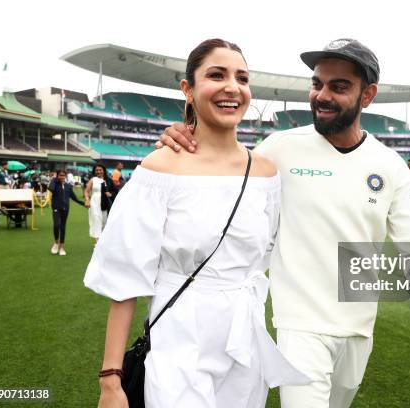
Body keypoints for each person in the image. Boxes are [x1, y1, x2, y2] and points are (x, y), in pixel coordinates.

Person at [158, 38, 410, 408]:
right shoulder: (279, 148)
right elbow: (222, 171)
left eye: (339, 87)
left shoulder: (389, 165)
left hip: (358, 329)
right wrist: (184, 134)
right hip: (299, 327)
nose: (322, 95)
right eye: (317, 84)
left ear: (367, 95)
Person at [84, 39, 309, 408]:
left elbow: (267, 253)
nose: (232, 87)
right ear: (188, 89)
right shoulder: (159, 170)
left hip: (244, 344)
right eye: (216, 75)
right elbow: (125, 276)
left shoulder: (267, 173)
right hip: (179, 339)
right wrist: (111, 380)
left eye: (242, 77)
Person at [48, 169, 85, 256]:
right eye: (60, 175)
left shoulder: (68, 186)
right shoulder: (54, 184)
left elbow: (74, 198)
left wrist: (84, 204)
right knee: (56, 225)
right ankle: (56, 243)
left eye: (63, 175)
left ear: (66, 176)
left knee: (62, 227)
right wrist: (53, 179)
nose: (62, 177)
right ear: (57, 176)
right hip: (56, 208)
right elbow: (51, 189)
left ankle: (62, 247)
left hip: (65, 209)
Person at [84, 164, 112, 245]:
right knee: (96, 220)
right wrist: (87, 200)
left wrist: (110, 194)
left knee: (104, 221)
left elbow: (114, 190)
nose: (99, 171)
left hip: (105, 203)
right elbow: (86, 191)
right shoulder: (93, 180)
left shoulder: (108, 180)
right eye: (97, 170)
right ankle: (97, 243)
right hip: (95, 203)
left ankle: (103, 241)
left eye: (100, 170)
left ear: (103, 170)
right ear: (94, 171)